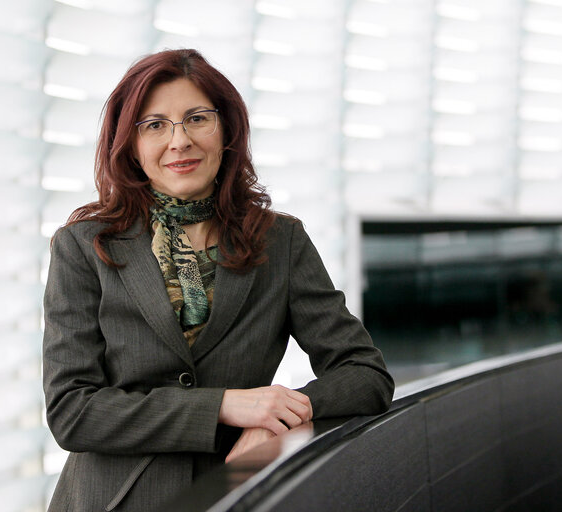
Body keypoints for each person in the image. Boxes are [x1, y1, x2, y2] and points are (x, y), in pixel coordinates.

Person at [42, 48, 394, 511]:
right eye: (155, 125)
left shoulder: (280, 241)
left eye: (197, 119)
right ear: (130, 144)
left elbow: (365, 374)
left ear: (226, 130)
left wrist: (281, 416)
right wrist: (226, 405)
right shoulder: (83, 246)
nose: (179, 140)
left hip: (237, 494)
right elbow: (72, 412)